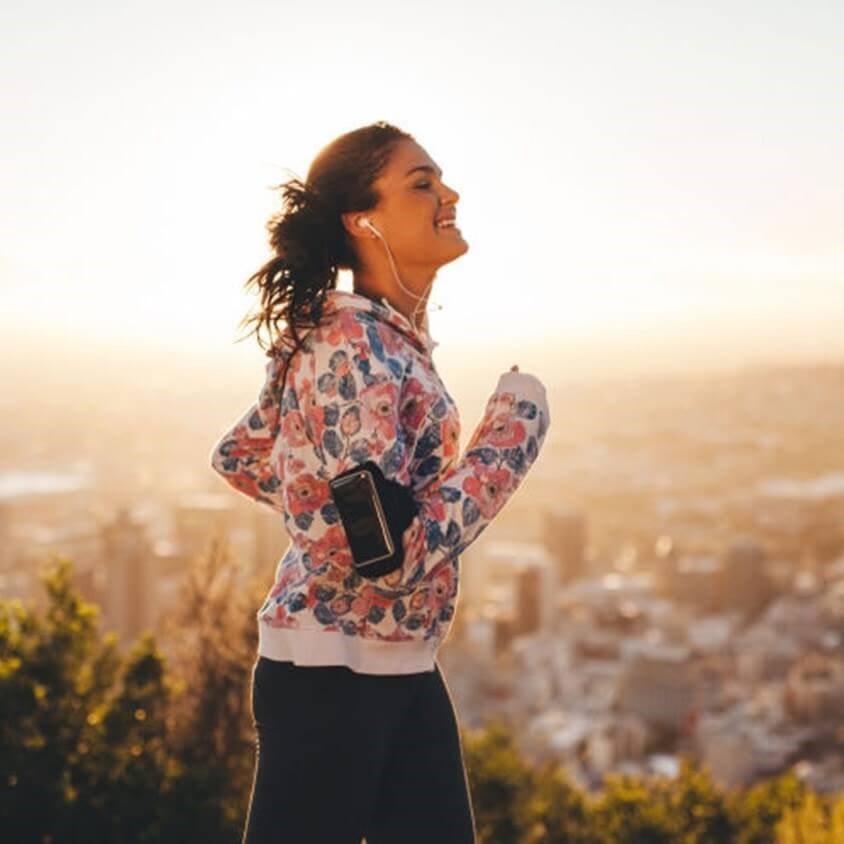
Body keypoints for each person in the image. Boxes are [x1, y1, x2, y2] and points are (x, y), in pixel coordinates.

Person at [209, 121, 551, 844]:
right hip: (332, 679)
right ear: (363, 221)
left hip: (391, 664)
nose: (447, 194)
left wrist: (316, 509)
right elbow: (387, 556)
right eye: (421, 183)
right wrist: (510, 437)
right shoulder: (349, 344)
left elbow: (245, 455)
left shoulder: (374, 339)